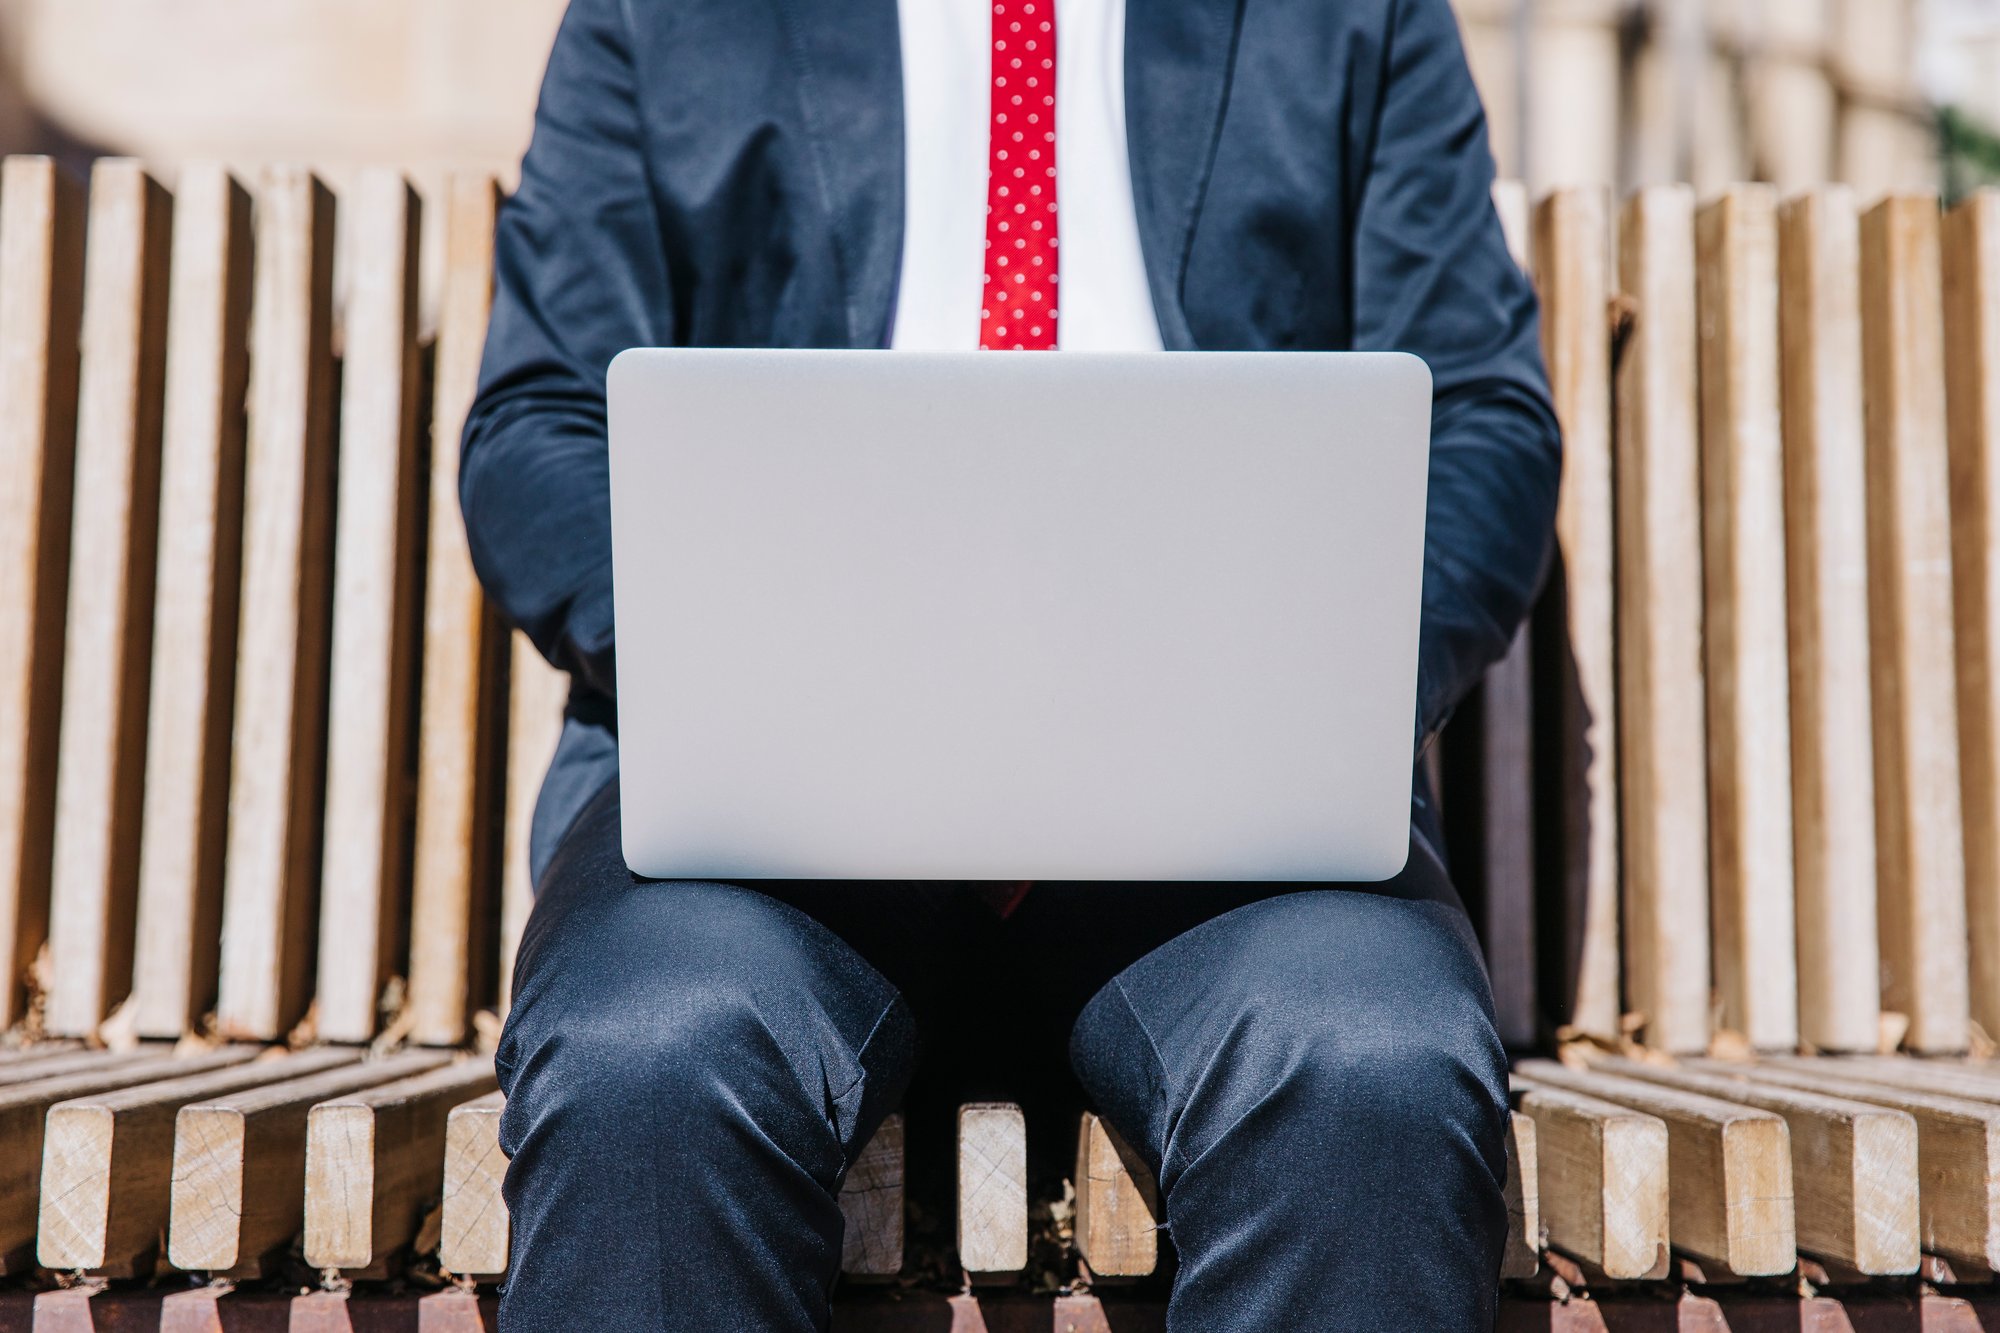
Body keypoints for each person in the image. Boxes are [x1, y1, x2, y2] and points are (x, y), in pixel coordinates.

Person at [462, 0, 1560, 1326]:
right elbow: (537, 428)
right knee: (652, 1054)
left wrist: (1304, 681)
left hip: (1228, 824)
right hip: (771, 818)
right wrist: (797, 669)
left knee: (1368, 1063)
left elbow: (1484, 426)